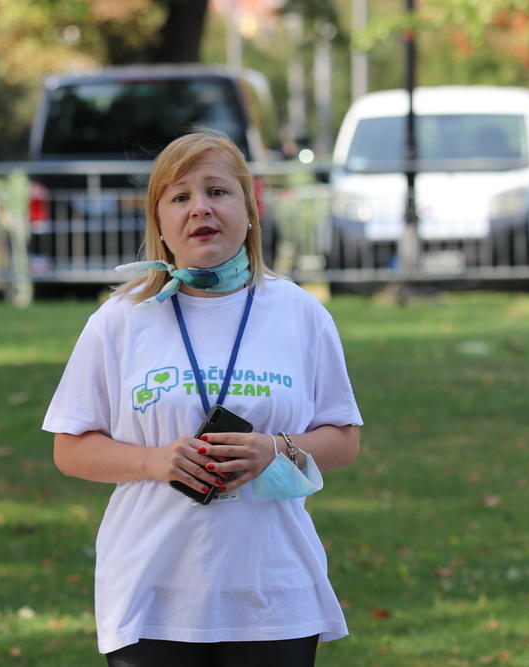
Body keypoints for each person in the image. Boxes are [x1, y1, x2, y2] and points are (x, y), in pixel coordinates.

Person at [43, 130, 363, 667]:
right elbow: (70, 448)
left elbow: (344, 439)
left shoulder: (299, 312)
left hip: (274, 594)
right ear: (161, 223)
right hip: (151, 594)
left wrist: (275, 449)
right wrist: (153, 461)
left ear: (249, 208)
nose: (200, 210)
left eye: (218, 191)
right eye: (180, 197)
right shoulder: (119, 321)